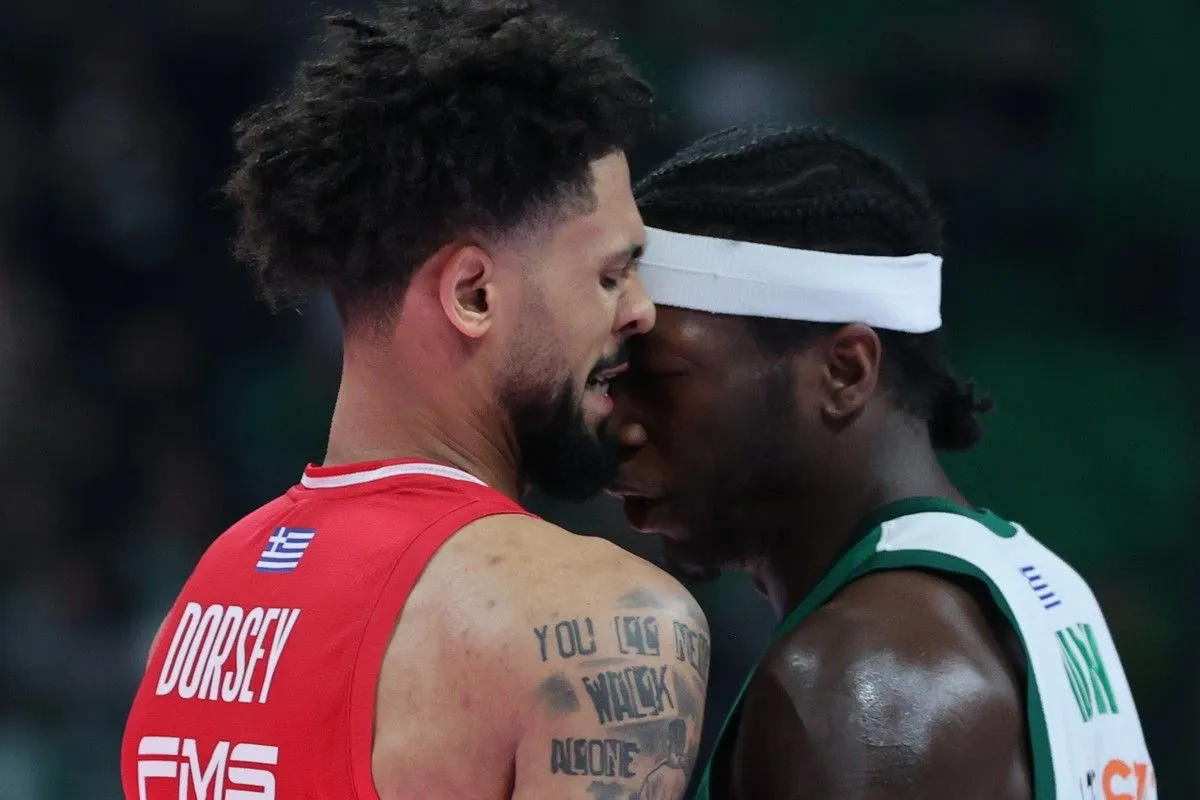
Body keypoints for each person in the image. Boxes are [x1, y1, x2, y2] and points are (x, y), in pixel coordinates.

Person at [119, 2, 709, 798]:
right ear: (473, 294)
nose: (640, 312)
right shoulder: (602, 624)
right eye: (610, 275)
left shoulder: (207, 596)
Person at [608, 125, 1155, 800]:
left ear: (845, 371)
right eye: (609, 380)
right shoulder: (1036, 586)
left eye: (660, 376)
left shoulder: (855, 685)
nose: (617, 424)